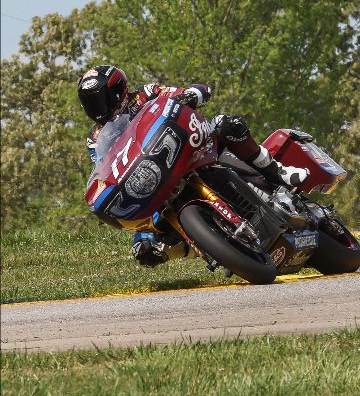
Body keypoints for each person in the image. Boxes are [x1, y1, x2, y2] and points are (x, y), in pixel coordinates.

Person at [78, 65, 309, 267]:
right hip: (155, 175)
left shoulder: (145, 95)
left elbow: (192, 91)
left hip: (192, 147)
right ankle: (209, 247)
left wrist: (190, 95)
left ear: (118, 90)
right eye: (90, 103)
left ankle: (280, 173)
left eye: (100, 98)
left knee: (226, 125)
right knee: (150, 240)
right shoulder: (96, 138)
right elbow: (105, 169)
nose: (97, 107)